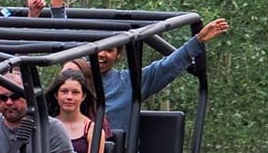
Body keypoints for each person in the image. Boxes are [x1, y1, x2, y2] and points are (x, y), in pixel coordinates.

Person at [98, 17, 230, 129]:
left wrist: (198, 40)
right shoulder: (78, 79)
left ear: (118, 55)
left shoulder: (129, 82)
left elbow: (164, 68)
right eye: (99, 48)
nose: (101, 54)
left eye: (109, 50)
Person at [44, 69, 111, 153]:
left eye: (75, 92)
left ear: (83, 96)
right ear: (56, 95)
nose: (69, 97)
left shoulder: (93, 130)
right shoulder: (45, 126)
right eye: (64, 91)